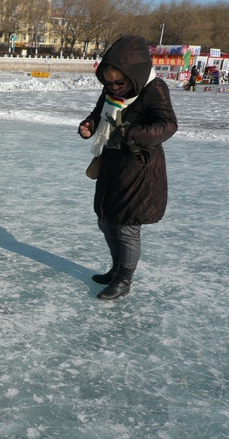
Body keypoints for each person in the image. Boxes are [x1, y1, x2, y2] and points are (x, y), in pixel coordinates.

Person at [78, 35, 178, 300]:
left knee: (127, 227)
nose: (114, 88)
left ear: (134, 74)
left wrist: (131, 132)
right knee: (106, 221)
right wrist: (88, 126)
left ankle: (124, 279)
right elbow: (98, 113)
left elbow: (168, 125)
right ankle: (116, 269)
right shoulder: (110, 90)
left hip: (139, 169)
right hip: (111, 163)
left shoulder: (153, 88)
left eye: (119, 82)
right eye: (108, 82)